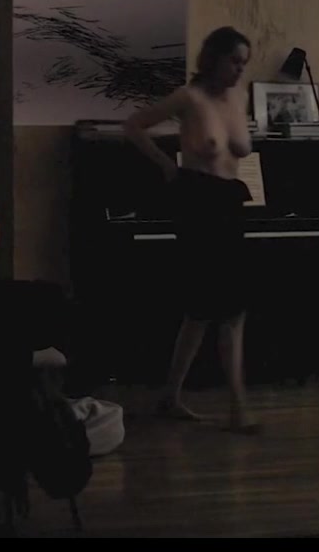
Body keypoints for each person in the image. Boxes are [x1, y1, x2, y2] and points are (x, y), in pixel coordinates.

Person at [123, 25, 260, 434]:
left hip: (231, 204)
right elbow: (134, 126)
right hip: (199, 205)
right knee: (218, 309)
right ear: (214, 58)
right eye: (234, 61)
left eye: (244, 63)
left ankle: (171, 396)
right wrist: (167, 165)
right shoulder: (189, 98)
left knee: (210, 312)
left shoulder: (238, 98)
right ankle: (237, 408)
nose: (239, 69)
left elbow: (239, 151)